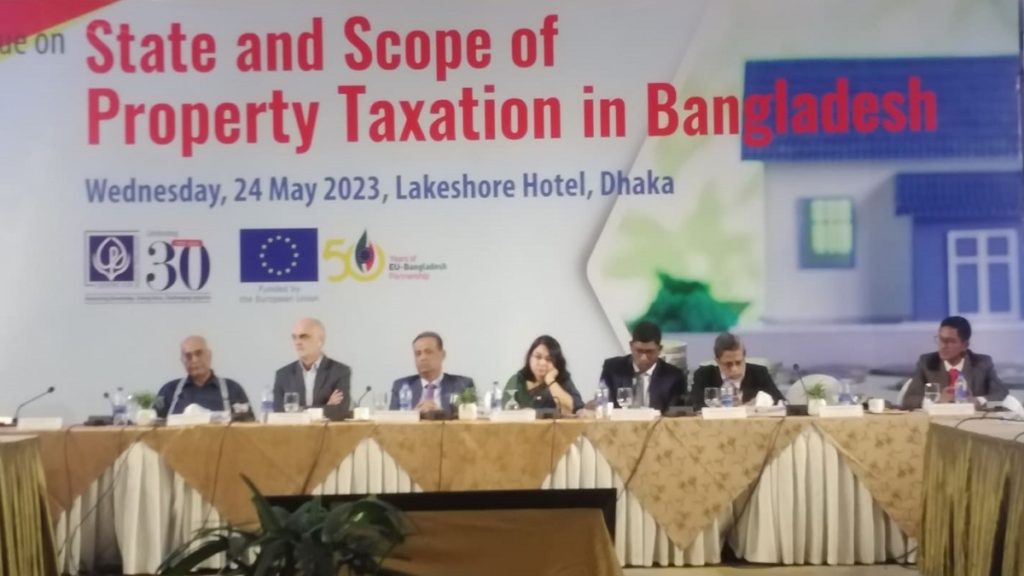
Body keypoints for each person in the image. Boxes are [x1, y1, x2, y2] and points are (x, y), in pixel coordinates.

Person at [902, 315, 1007, 409]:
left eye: (950, 341)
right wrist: (937, 400)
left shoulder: (982, 363)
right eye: (940, 339)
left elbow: (1000, 392)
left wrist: (978, 401)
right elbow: (908, 399)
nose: (943, 346)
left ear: (965, 345)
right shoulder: (927, 363)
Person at [599, 321, 687, 412]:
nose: (644, 358)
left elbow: (674, 416)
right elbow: (605, 406)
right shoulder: (613, 369)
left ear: (659, 349)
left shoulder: (674, 377)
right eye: (639, 351)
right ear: (631, 346)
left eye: (649, 352)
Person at [156, 336, 252, 419]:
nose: (194, 360)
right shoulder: (168, 391)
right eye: (188, 356)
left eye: (199, 353)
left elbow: (248, 426)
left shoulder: (233, 389)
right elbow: (152, 425)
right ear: (182, 361)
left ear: (209, 355)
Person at [272, 318, 351, 413]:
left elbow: (340, 410)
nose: (297, 342)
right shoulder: (283, 375)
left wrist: (297, 410)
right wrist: (326, 407)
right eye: (294, 337)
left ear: (320, 341)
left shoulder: (339, 371)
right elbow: (279, 411)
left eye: (304, 337)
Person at [690, 332, 784, 409]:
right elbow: (693, 406)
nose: (734, 369)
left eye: (738, 362)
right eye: (728, 364)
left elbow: (781, 402)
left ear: (744, 357)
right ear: (717, 361)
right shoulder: (704, 375)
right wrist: (721, 407)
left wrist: (758, 403)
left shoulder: (759, 373)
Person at [390, 332, 475, 412]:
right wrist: (414, 414)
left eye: (428, 352)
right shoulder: (401, 386)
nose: (422, 358)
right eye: (418, 354)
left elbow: (470, 418)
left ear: (443, 355)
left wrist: (441, 414)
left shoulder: (462, 384)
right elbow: (391, 419)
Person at [504, 335, 584, 416]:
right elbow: (505, 414)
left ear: (556, 362)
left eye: (549, 359)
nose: (542, 363)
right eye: (538, 357)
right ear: (529, 357)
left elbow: (574, 408)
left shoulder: (562, 380)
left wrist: (550, 380)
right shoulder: (517, 381)